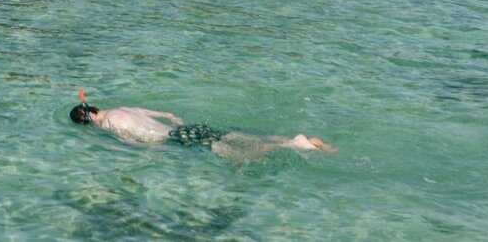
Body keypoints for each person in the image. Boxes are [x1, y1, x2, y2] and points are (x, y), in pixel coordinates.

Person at [69, 92, 335, 161]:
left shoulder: (111, 123)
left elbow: (131, 143)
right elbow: (167, 114)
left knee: (234, 154)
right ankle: (290, 140)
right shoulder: (121, 109)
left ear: (90, 120)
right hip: (185, 128)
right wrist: (176, 121)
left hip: (174, 139)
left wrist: (154, 152)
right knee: (236, 136)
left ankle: (299, 145)